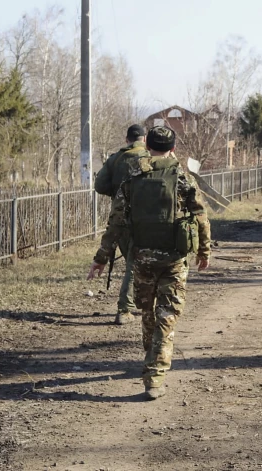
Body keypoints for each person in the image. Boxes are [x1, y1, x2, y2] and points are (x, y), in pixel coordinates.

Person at [87, 126, 211, 400]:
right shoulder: (182, 177)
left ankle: (151, 358)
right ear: (173, 149)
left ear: (148, 146)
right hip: (175, 258)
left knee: (149, 312)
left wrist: (101, 258)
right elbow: (200, 215)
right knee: (167, 316)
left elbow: (116, 221)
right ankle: (155, 373)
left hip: (142, 256)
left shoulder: (133, 177)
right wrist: (204, 250)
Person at [94, 124, 150, 325]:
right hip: (144, 220)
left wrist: (117, 193)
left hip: (119, 219)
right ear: (143, 139)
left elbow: (99, 185)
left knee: (132, 264)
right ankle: (124, 309)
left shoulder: (116, 158)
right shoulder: (150, 157)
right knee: (133, 266)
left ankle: (133, 305)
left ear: (127, 139)